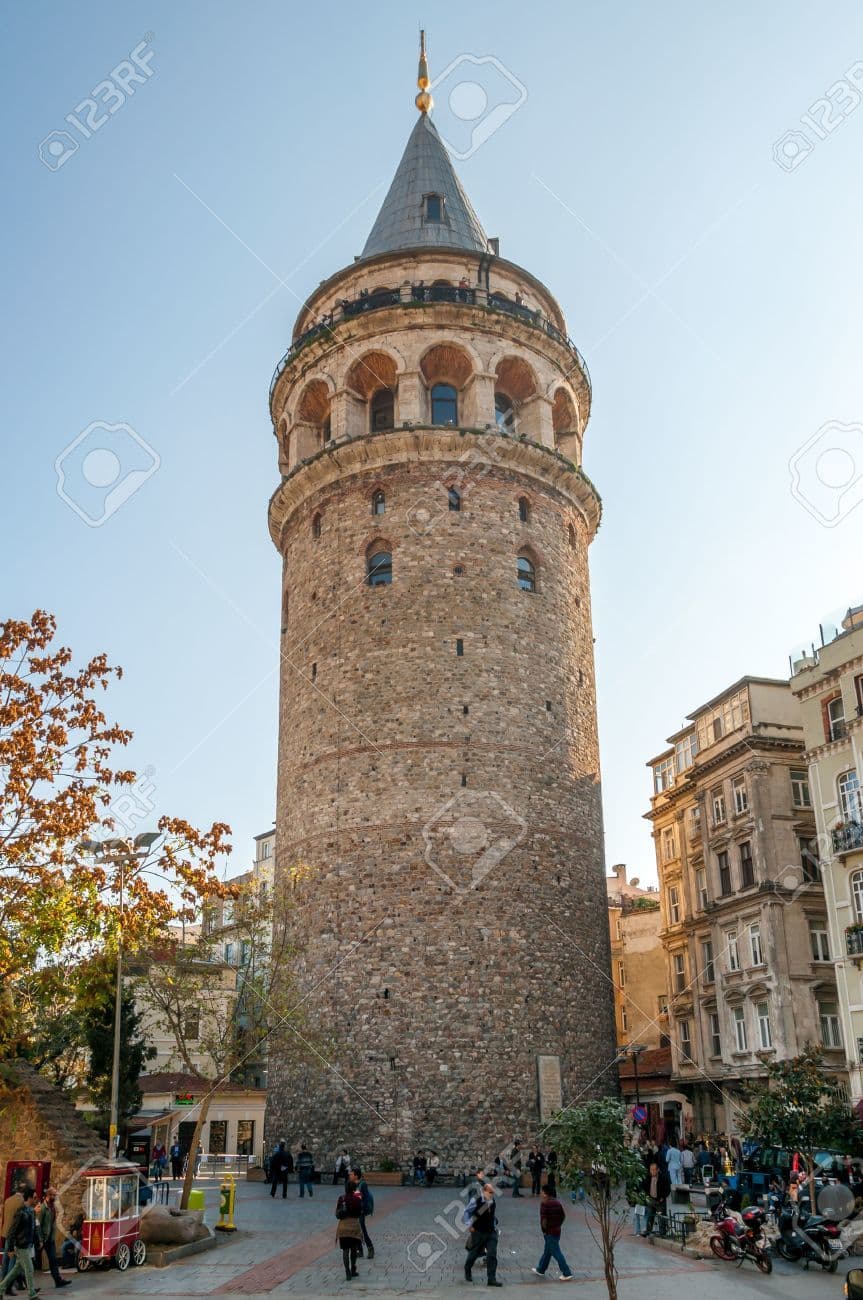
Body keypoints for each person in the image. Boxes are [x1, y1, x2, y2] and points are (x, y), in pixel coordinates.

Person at [1, 1187, 39, 1300]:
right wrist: (11, 1248)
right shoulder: (21, 1211)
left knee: (15, 1270)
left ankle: (1, 1288)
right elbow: (12, 1230)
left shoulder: (30, 1211)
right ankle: (32, 1294)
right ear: (30, 1198)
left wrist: (35, 1242)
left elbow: (32, 1228)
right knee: (29, 1269)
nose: (37, 1199)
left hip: (27, 1245)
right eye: (35, 1197)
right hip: (21, 1246)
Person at [532, 1181, 574, 1281]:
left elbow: (544, 1220)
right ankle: (541, 1269)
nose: (541, 1193)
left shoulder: (544, 1204)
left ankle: (566, 1272)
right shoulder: (557, 1202)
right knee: (547, 1251)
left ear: (546, 1193)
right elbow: (563, 1216)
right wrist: (558, 1224)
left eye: (542, 1192)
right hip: (557, 1230)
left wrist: (544, 1230)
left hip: (549, 1232)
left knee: (556, 1252)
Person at [464, 1183, 501, 1287]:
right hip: (479, 1232)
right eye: (490, 1192)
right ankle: (467, 1268)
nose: (492, 1194)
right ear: (484, 1192)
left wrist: (494, 1225)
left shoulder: (492, 1201)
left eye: (493, 1192)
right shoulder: (476, 1201)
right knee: (474, 1253)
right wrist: (469, 1225)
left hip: (491, 1232)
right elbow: (466, 1212)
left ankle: (491, 1279)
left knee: (492, 1254)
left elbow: (492, 1215)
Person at [37, 1190, 70, 1290]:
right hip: (42, 1238)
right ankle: (16, 1281)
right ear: (48, 1196)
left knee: (53, 1260)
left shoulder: (52, 1207)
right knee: (27, 1262)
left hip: (50, 1238)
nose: (55, 1197)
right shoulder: (43, 1208)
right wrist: (40, 1240)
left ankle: (58, 1280)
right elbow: (38, 1225)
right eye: (54, 1195)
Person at [334, 1185, 363, 1281]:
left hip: (343, 1227)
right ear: (354, 1190)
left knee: (345, 1250)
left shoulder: (341, 1198)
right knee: (353, 1249)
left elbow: (337, 1215)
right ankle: (353, 1269)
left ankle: (347, 1272)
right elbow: (360, 1212)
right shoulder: (357, 1199)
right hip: (354, 1226)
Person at [2, 1186, 25, 1295]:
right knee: (13, 1261)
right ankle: (8, 1286)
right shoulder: (22, 1202)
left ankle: (2, 1282)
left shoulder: (7, 1200)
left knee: (5, 1260)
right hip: (15, 1235)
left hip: (6, 1233)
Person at [349, 1169, 374, 1260]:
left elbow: (362, 1198)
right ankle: (360, 1250)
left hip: (361, 1210)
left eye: (351, 1174)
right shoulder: (351, 1184)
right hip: (355, 1210)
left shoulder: (363, 1184)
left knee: (362, 1230)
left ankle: (370, 1249)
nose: (350, 1175)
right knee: (356, 1230)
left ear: (356, 1176)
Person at [640, 1161, 671, 1237]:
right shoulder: (648, 1178)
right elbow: (643, 1187)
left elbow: (667, 1189)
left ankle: (662, 1232)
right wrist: (646, 1197)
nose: (652, 1171)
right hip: (651, 1199)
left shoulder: (663, 1177)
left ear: (657, 1170)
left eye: (654, 1170)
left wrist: (663, 1197)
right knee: (650, 1216)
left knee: (661, 1216)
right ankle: (648, 1230)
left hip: (660, 1200)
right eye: (651, 1170)